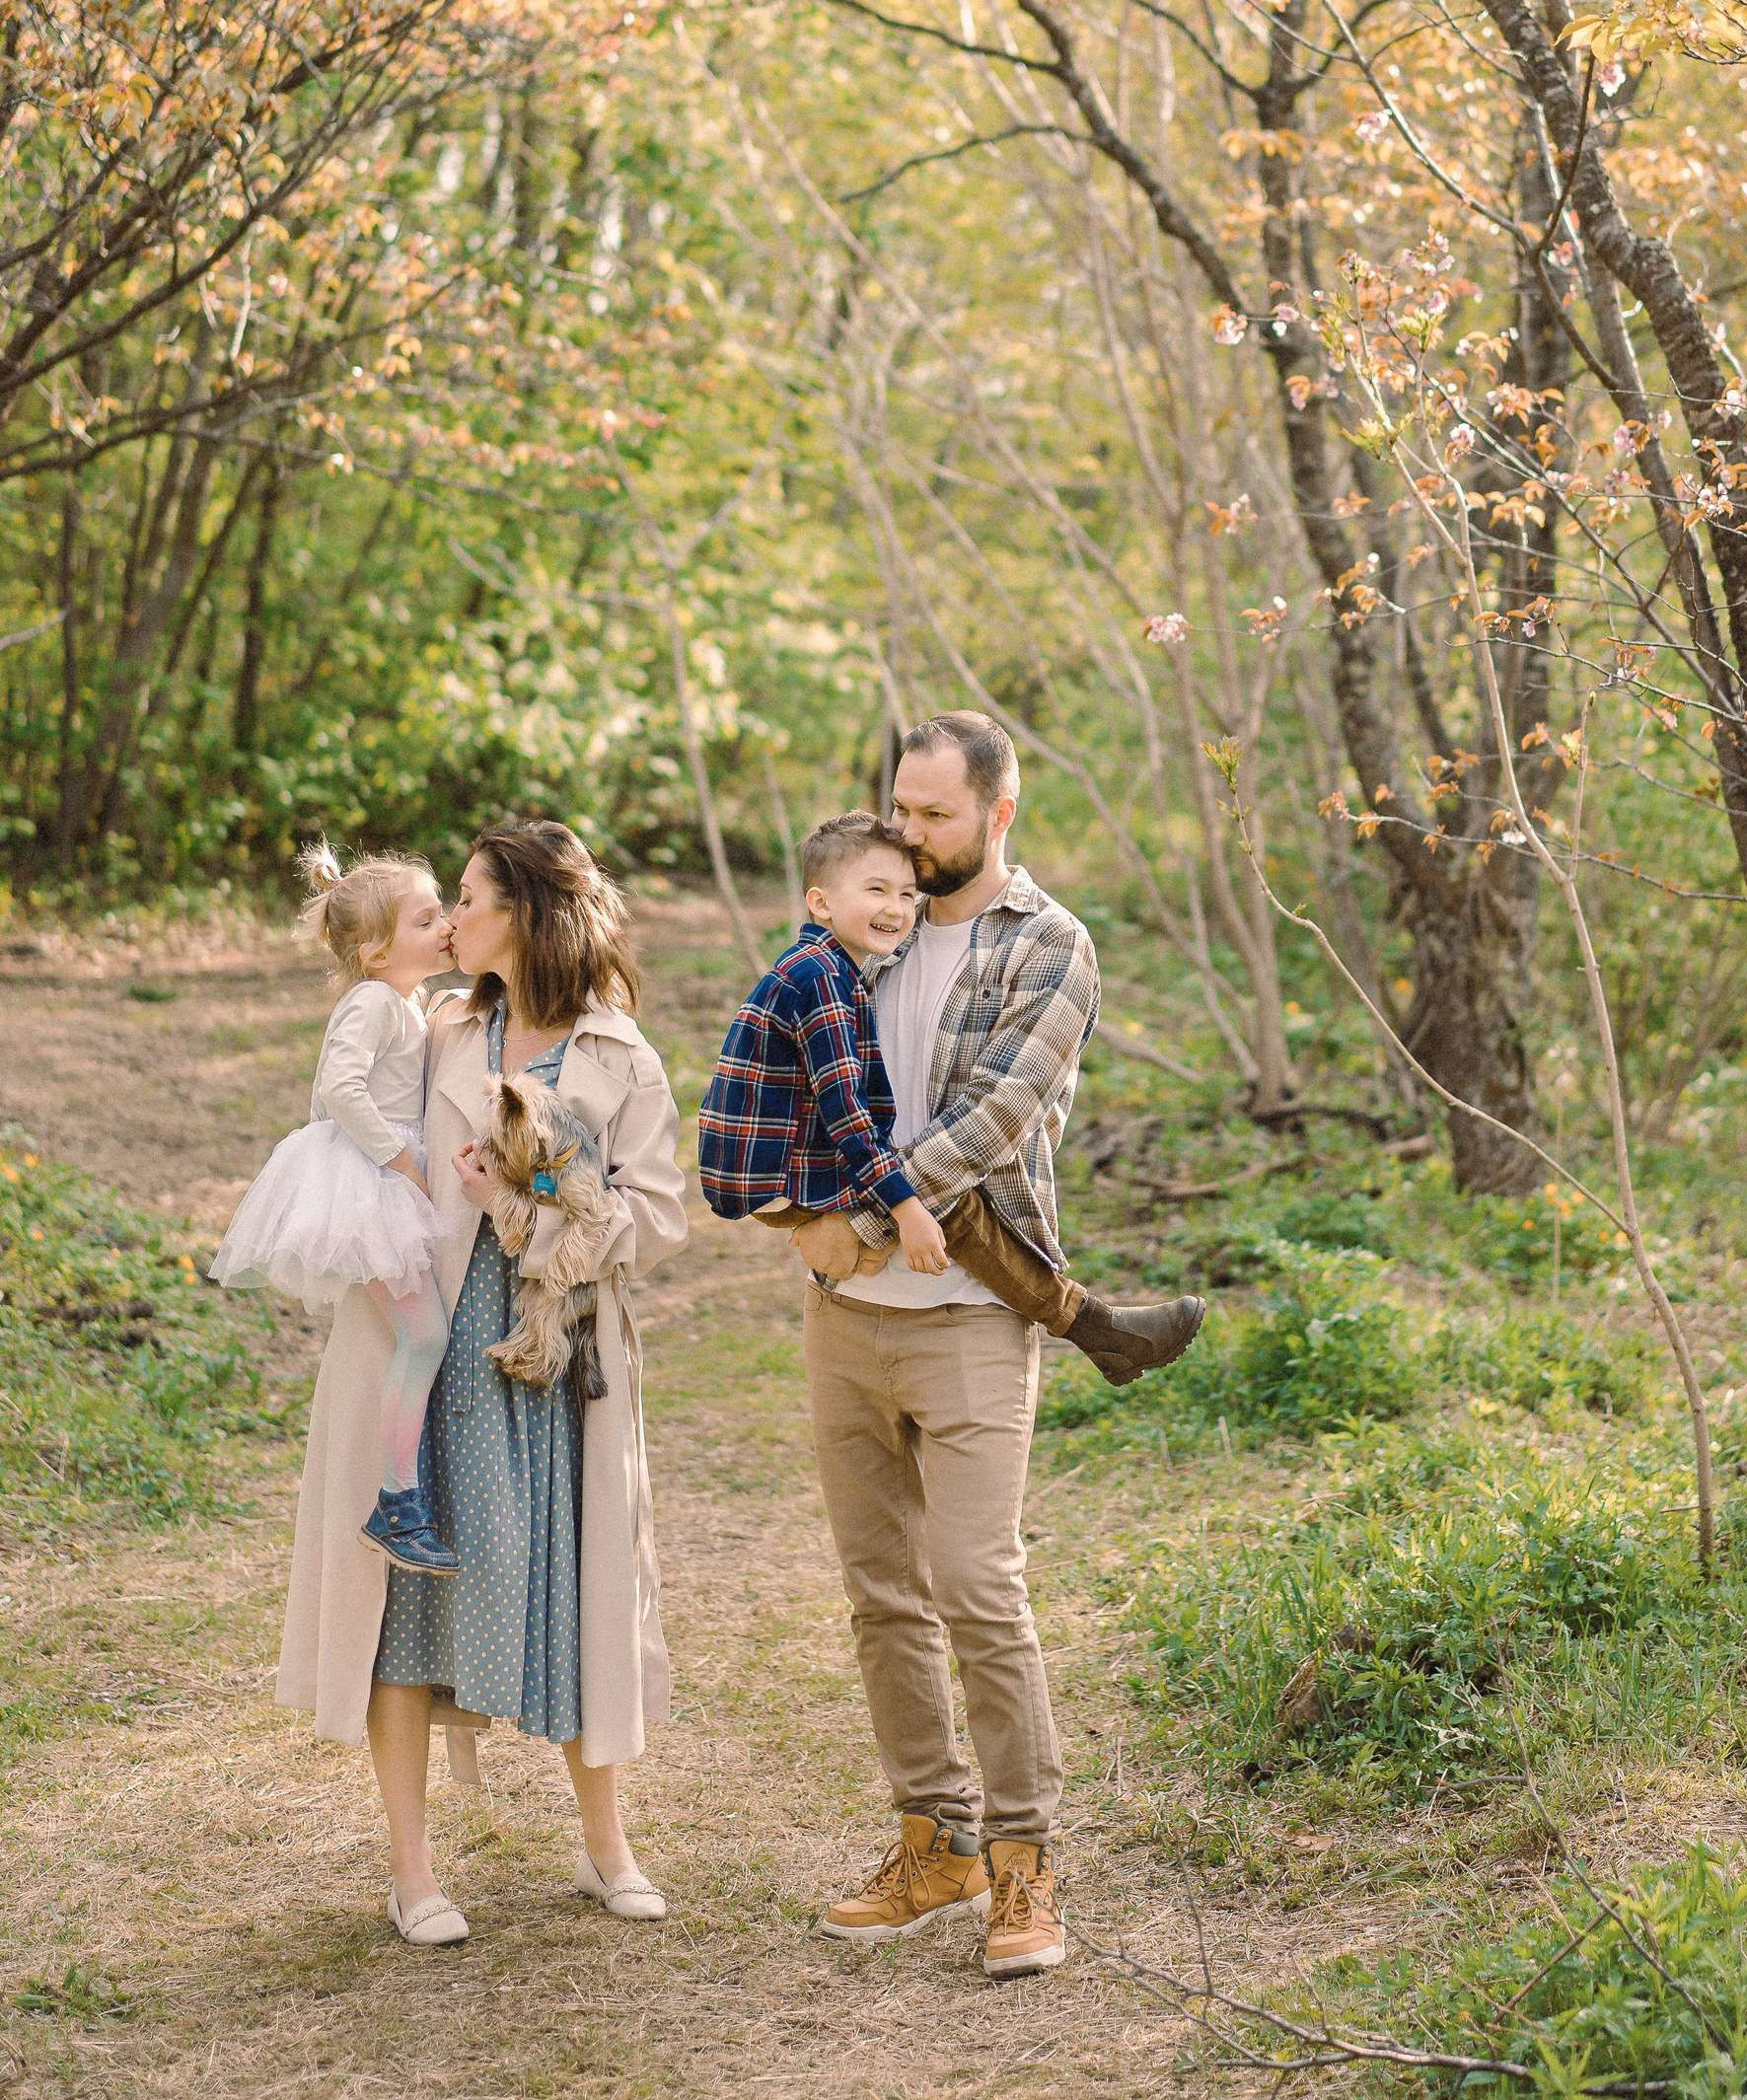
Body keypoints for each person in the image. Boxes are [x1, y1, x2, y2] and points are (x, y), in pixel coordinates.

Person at [797, 712, 1168, 1982]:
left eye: (936, 814)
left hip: (965, 1311)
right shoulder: (858, 916)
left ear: (999, 814)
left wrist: (860, 1211)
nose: (909, 834)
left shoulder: (1049, 947)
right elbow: (789, 1062)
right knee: (878, 1594)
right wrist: (797, 1212)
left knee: (976, 1587)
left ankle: (1021, 1863)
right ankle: (932, 1840)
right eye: (899, 807)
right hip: (842, 1314)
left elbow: (995, 1119)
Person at [275, 820, 688, 1948]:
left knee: (570, 1592)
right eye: (445, 902)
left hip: (558, 1365)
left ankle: (607, 1848)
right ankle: (412, 1873)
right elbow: (348, 1122)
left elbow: (657, 1216)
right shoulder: (436, 1025)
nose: (450, 920)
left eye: (467, 898)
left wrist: (541, 1196)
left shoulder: (620, 1056)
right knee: (404, 1604)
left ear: (523, 914)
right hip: (426, 1352)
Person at [698, 809, 1204, 1384]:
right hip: (777, 1169)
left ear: (998, 814)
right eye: (877, 890)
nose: (896, 907)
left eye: (907, 893)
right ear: (820, 903)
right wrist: (903, 1207)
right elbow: (847, 1116)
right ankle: (1093, 1327)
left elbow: (991, 1107)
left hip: (765, 1163)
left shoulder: (833, 963)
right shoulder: (826, 981)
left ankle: (1099, 1330)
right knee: (955, 1204)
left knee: (946, 1188)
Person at [209, 842, 460, 1575]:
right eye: (425, 919)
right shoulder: (375, 1000)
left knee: (424, 1337)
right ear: (377, 950)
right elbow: (339, 1089)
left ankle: (400, 1497)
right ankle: (396, 1503)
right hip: (366, 1184)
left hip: (381, 1180)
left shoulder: (408, 1000)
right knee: (424, 1337)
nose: (444, 924)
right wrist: (402, 1161)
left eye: (443, 909)